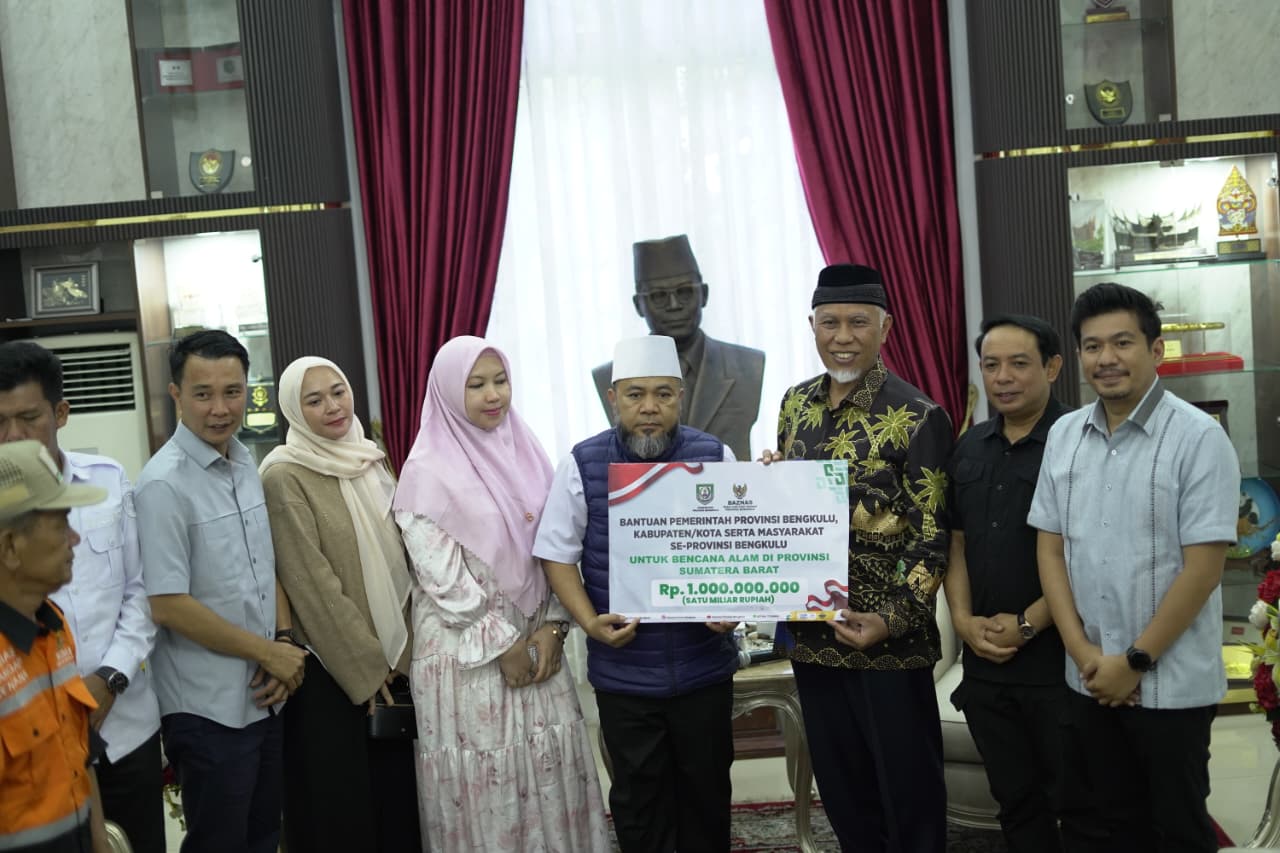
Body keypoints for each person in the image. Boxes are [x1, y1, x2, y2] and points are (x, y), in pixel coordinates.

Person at [1028, 282, 1238, 853]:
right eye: (1093, 346)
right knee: (1095, 829)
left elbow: (1203, 570)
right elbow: (1051, 550)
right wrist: (1085, 655)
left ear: (1156, 349)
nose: (1107, 358)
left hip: (1171, 686)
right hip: (1088, 679)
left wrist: (1135, 661)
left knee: (1176, 831)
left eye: (1123, 343)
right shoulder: (1065, 435)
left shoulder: (1199, 438)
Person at [761, 263, 952, 853]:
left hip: (888, 644)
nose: (843, 337)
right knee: (844, 793)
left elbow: (933, 537)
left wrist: (889, 621)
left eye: (858, 323)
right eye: (830, 323)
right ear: (812, 326)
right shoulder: (795, 404)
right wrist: (770, 482)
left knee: (908, 794)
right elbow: (789, 512)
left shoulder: (919, 415)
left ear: (885, 328)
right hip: (814, 634)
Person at [393, 335, 609, 852]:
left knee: (552, 771)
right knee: (491, 782)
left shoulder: (529, 453)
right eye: (476, 385)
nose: (494, 395)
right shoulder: (425, 472)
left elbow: (558, 547)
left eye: (500, 381)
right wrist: (504, 644)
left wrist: (554, 626)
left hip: (538, 643)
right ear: (449, 392)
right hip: (468, 658)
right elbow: (441, 577)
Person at [539, 334, 740, 853]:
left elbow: (739, 548)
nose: (649, 407)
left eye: (663, 394)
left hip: (702, 670)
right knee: (638, 805)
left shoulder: (715, 457)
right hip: (624, 676)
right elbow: (556, 554)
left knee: (707, 799)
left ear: (680, 397)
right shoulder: (582, 464)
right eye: (635, 394)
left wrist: (731, 607)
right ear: (613, 399)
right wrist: (589, 622)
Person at [135, 329, 306, 853]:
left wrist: (282, 640)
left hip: (264, 694)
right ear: (176, 395)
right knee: (220, 843)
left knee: (264, 837)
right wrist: (268, 653)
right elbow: (168, 605)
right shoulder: (162, 484)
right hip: (207, 709)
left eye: (233, 392)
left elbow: (264, 563)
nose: (220, 408)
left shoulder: (243, 461)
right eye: (203, 394)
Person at [0, 341, 165, 853]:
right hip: (31, 753)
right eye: (0, 421)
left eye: (28, 418)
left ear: (60, 413)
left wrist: (110, 678)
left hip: (123, 726)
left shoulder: (108, 481)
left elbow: (142, 591)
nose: (13, 436)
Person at [259, 356, 420, 852]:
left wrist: (404, 658)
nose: (332, 406)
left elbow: (405, 559)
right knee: (344, 817)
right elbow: (312, 584)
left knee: (400, 814)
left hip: (398, 669)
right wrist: (369, 670)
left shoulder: (370, 458)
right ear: (293, 409)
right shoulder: (283, 475)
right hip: (333, 675)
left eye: (338, 391)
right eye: (314, 400)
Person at [944, 315, 1077, 852]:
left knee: (1079, 804)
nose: (1003, 377)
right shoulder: (968, 447)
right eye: (991, 364)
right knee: (1015, 802)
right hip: (986, 665)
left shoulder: (1081, 441)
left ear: (1052, 366)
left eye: (1019, 364)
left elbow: (1091, 554)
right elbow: (955, 543)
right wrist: (962, 622)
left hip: (1060, 661)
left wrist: (1027, 624)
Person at [0, 439, 111, 853]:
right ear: (10, 547)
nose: (75, 538)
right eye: (62, 524)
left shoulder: (53, 625)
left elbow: (79, 755)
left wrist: (100, 842)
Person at [591, 234, 765, 460]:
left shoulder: (748, 366)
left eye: (684, 292)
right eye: (659, 296)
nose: (674, 305)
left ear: (704, 294)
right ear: (638, 305)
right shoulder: (611, 376)